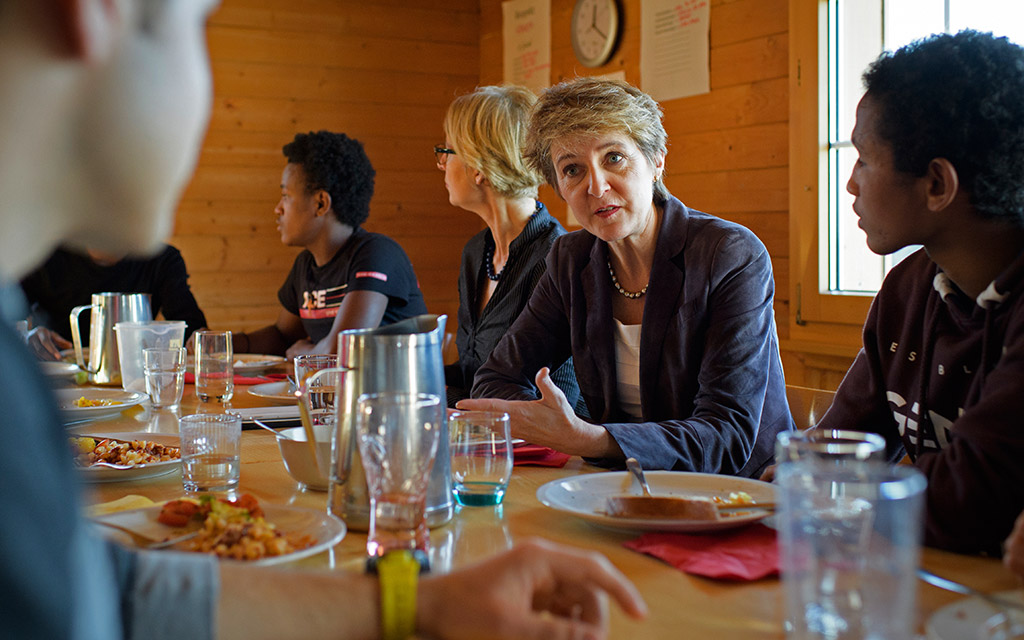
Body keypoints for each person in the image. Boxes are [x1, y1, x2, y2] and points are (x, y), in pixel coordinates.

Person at [0, 1, 647, 638]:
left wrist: (418, 603)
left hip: (521, 475)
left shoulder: (538, 253)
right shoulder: (477, 253)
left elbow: (105, 594)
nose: (438, 162)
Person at [460, 77, 792, 476]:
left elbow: (727, 435)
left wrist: (588, 439)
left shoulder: (730, 254)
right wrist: (545, 422)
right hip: (622, 486)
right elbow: (497, 378)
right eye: (572, 170)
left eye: (614, 157)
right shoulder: (570, 258)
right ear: (559, 188)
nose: (596, 186)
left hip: (741, 492)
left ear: (656, 161)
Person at [804, 30, 1024, 555]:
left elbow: (964, 506)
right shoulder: (910, 286)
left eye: (863, 159)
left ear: (937, 186)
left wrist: (813, 493)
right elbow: (832, 453)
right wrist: (802, 481)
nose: (851, 184)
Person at [438, 85, 581, 408]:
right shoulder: (477, 252)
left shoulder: (555, 258)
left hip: (549, 454)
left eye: (447, 152)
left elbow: (555, 402)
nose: (442, 166)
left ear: (478, 167)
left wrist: (441, 396)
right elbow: (474, 373)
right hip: (481, 440)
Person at [230, 130, 428, 359]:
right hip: (341, 393)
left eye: (286, 196)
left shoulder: (376, 253)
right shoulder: (305, 264)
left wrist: (303, 353)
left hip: (397, 393)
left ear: (321, 203)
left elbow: (345, 350)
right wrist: (224, 342)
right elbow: (283, 338)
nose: (278, 209)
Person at [20, 245, 208, 360]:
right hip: (57, 383)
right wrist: (27, 336)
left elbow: (192, 329)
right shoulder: (44, 256)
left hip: (134, 383)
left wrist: (199, 340)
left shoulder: (161, 259)